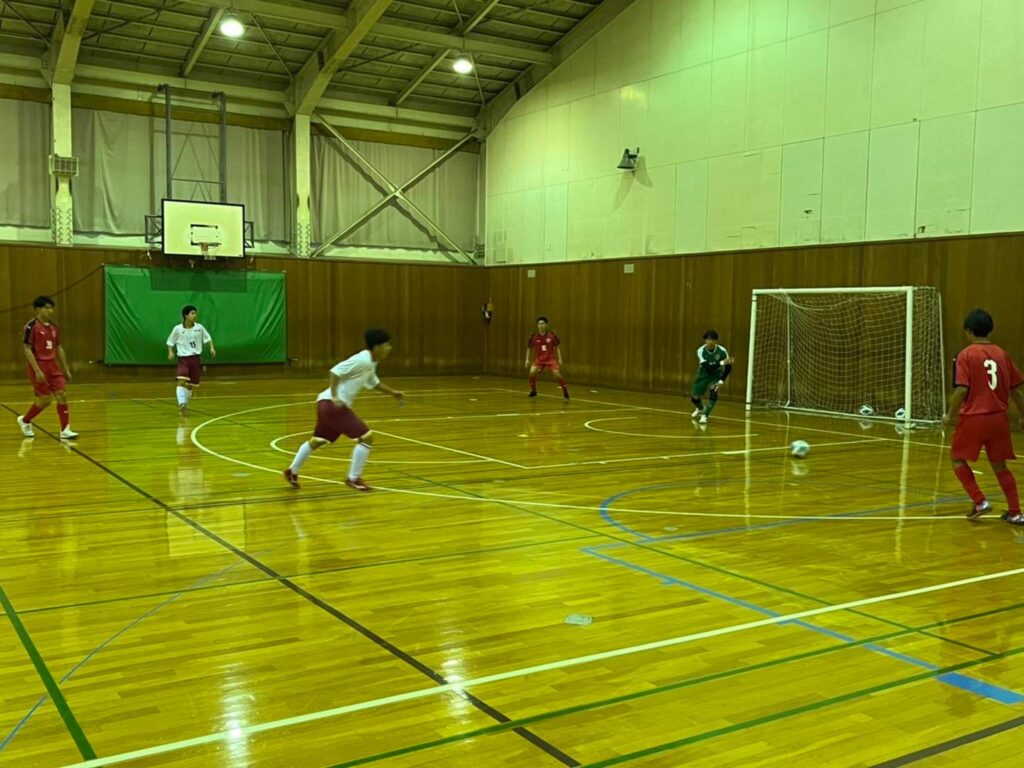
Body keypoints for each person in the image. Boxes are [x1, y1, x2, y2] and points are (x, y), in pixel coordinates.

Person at [283, 328, 403, 492]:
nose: (389, 348)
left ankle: (292, 471)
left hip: (324, 404)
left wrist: (393, 393)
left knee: (318, 440)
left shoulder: (371, 362)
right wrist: (335, 396)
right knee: (367, 438)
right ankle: (353, 478)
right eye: (387, 345)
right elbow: (335, 371)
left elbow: (373, 382)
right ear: (376, 347)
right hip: (333, 406)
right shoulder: (362, 360)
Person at [942, 309, 1024, 524]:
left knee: (957, 459)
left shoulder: (966, 354)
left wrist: (949, 414)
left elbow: (961, 389)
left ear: (968, 331)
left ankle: (980, 501)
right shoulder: (1002, 354)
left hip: (974, 417)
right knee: (1000, 465)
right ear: (990, 330)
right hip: (999, 418)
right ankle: (1015, 512)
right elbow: (1016, 390)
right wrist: (1022, 416)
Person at [17, 295, 77, 439]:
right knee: (45, 400)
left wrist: (66, 369)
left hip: (53, 366)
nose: (50, 311)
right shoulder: (31, 326)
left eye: (51, 308)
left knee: (62, 394)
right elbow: (27, 349)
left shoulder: (54, 327)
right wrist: (37, 370)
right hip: (39, 365)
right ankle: (25, 420)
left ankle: (65, 429)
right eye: (47, 308)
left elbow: (59, 347)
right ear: (38, 309)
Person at [167, 305, 216, 416]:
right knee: (181, 381)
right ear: (186, 315)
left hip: (195, 359)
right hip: (183, 359)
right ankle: (182, 404)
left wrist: (212, 348)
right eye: (192, 313)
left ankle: (185, 405)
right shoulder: (178, 329)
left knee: (190, 385)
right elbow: (170, 342)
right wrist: (170, 352)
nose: (195, 315)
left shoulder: (199, 328)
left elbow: (208, 338)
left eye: (195, 313)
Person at [690, 330, 734, 425]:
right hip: (703, 374)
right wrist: (722, 362)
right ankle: (701, 409)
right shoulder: (700, 351)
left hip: (716, 375)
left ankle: (705, 416)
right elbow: (708, 367)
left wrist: (721, 381)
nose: (710, 342)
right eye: (708, 339)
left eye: (713, 340)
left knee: (714, 392)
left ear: (716, 341)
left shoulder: (722, 351)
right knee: (694, 398)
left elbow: (728, 368)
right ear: (704, 340)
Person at [526, 316, 569, 401]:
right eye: (539, 324)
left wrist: (560, 359)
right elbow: (529, 348)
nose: (541, 325)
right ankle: (534, 391)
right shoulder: (534, 336)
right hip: (539, 360)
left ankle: (565, 392)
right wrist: (527, 360)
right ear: (537, 325)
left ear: (546, 325)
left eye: (542, 324)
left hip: (550, 359)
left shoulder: (551, 335)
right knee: (531, 372)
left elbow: (557, 347)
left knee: (557, 374)